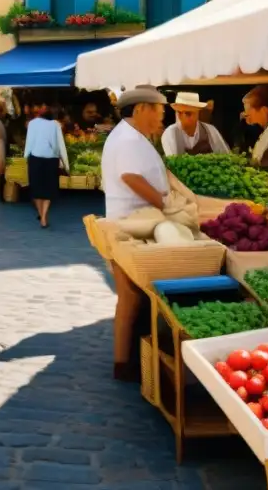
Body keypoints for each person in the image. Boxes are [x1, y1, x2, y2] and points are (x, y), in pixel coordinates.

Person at [101, 85, 170, 380]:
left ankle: (129, 360)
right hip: (132, 225)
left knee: (131, 296)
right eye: (160, 110)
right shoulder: (129, 139)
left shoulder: (130, 136)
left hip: (134, 223)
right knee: (130, 296)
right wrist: (165, 203)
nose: (162, 117)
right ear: (141, 108)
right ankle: (125, 363)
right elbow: (130, 176)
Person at [24, 106, 69, 228]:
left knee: (36, 188)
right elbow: (61, 144)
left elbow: (29, 141)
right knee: (49, 188)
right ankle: (44, 216)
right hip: (51, 159)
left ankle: (41, 215)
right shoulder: (56, 125)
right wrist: (66, 164)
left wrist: (25, 156)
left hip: (35, 158)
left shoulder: (32, 124)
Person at [161, 92, 231, 157]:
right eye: (179, 112)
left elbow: (226, 156)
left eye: (188, 114)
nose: (182, 117)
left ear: (197, 113)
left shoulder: (210, 131)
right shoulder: (170, 134)